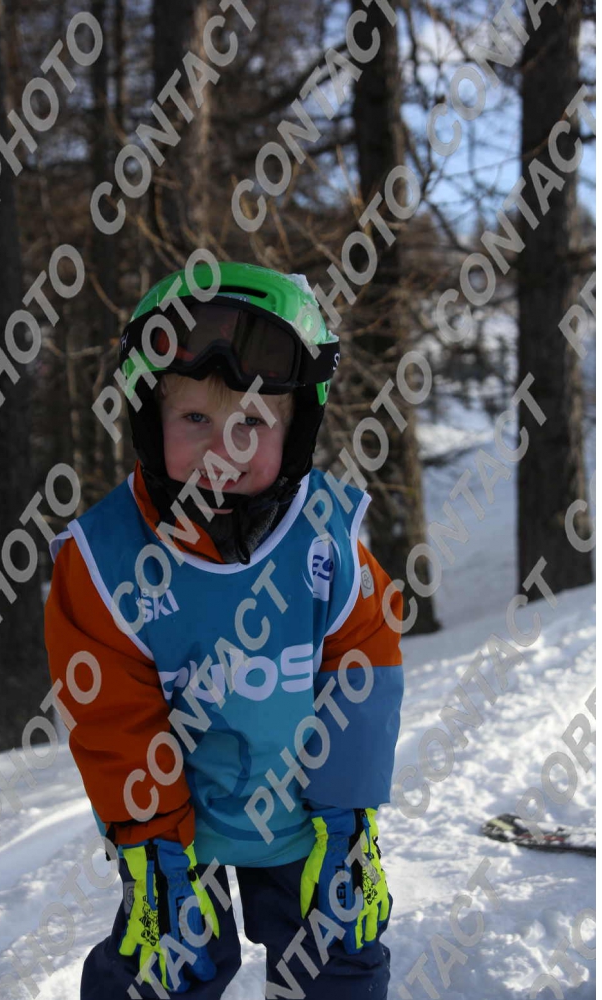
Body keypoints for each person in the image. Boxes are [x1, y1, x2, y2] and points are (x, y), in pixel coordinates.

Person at [45, 261, 405, 998]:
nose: (225, 449)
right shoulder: (105, 564)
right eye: (195, 420)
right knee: (166, 964)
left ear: (295, 429)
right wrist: (153, 846)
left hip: (305, 815)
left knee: (336, 952)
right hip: (176, 833)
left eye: (253, 423)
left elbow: (363, 675)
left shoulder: (326, 539)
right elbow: (111, 717)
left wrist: (345, 817)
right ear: (150, 420)